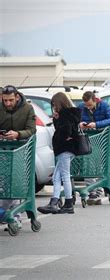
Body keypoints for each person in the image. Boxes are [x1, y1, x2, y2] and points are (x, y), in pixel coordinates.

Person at [37, 92, 81, 214]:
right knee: (57, 177)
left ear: (59, 103)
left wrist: (60, 137)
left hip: (65, 148)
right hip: (69, 149)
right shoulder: (70, 114)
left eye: (54, 105)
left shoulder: (65, 115)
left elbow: (65, 130)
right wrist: (57, 119)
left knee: (64, 176)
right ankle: (56, 201)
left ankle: (66, 203)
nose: (54, 107)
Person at [0, 85, 36, 228]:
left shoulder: (28, 108)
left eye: (10, 100)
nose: (8, 103)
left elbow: (32, 129)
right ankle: (6, 213)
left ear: (16, 97)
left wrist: (18, 134)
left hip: (21, 149)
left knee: (15, 181)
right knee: (4, 181)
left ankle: (15, 215)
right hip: (3, 149)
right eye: (5, 100)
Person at [79, 91, 110, 205]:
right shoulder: (81, 107)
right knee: (88, 162)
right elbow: (75, 119)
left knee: (99, 163)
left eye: (90, 105)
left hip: (102, 138)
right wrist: (80, 124)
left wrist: (96, 124)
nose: (88, 107)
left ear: (95, 100)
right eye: (86, 105)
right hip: (88, 138)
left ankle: (99, 187)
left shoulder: (104, 105)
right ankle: (92, 190)